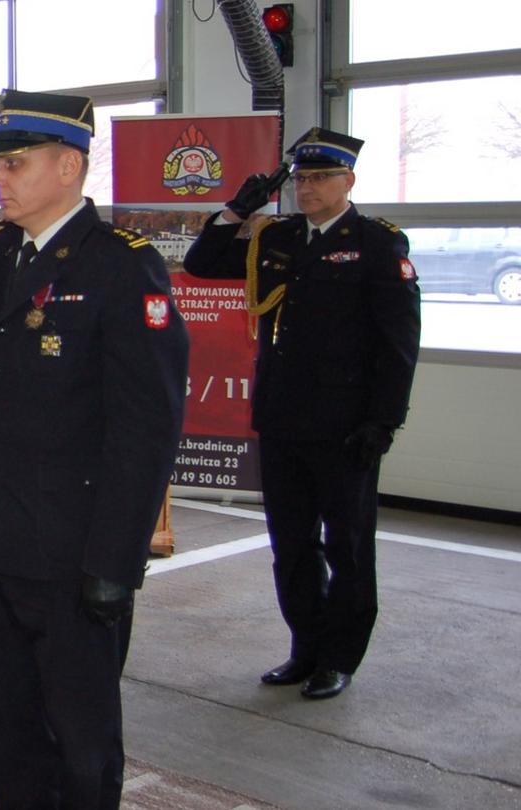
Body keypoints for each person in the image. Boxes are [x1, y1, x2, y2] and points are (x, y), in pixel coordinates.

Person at [0, 90, 189, 808]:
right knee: (5, 728)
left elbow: (146, 427)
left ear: (68, 167)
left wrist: (116, 558)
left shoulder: (119, 267)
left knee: (80, 735)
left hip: (72, 549)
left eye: (14, 163)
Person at [182, 127, 420, 701]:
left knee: (348, 547)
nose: (308, 189)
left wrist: (382, 423)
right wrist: (240, 208)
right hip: (283, 419)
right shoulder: (278, 236)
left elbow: (397, 344)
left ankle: (339, 658)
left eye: (320, 178)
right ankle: (305, 648)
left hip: (345, 427)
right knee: (291, 546)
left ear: (348, 181)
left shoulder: (377, 243)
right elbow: (202, 261)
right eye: (302, 179)